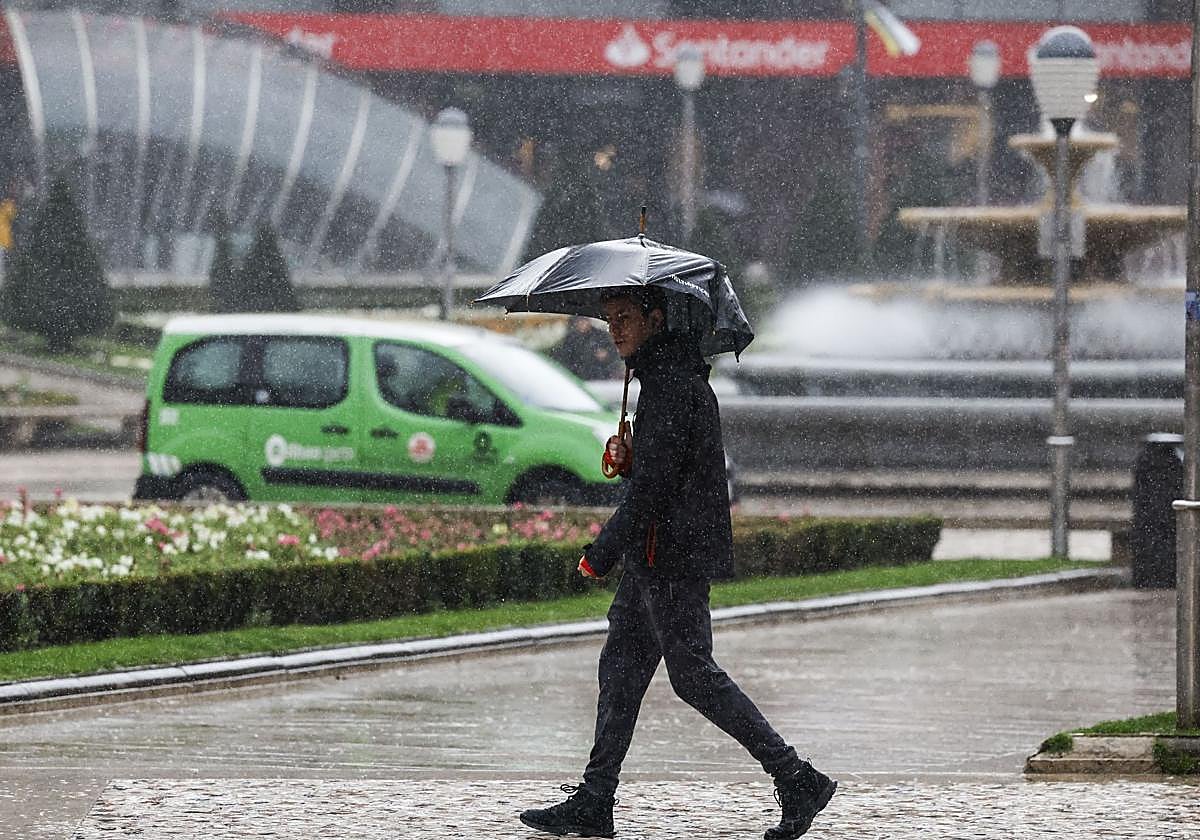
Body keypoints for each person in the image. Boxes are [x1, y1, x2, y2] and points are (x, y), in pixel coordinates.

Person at [519, 287, 836, 840]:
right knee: (622, 666)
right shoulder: (661, 381)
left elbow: (654, 491)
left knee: (693, 675)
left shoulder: (672, 386)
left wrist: (601, 551)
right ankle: (595, 799)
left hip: (672, 553)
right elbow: (661, 471)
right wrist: (631, 454)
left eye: (624, 318)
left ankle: (796, 777)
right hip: (658, 552)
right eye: (609, 319)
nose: (614, 329)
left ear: (656, 318)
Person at [549, 315, 623, 380]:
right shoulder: (571, 339)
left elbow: (614, 352)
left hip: (600, 376)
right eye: (579, 322)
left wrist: (606, 355)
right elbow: (566, 357)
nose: (582, 324)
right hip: (579, 376)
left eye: (584, 321)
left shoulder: (600, 336)